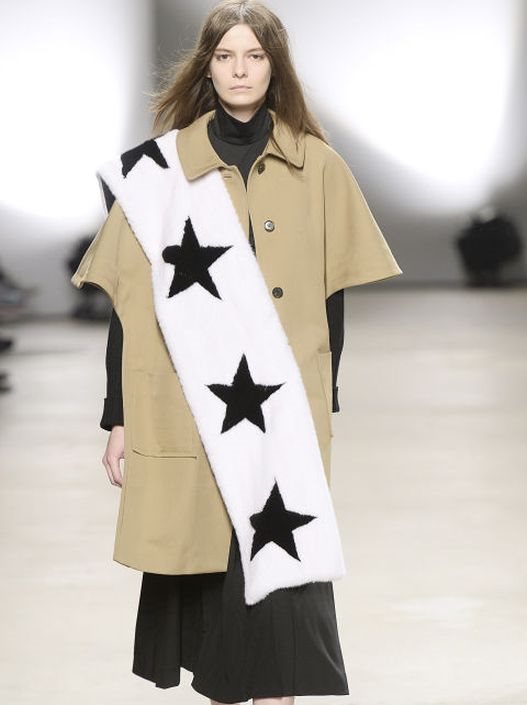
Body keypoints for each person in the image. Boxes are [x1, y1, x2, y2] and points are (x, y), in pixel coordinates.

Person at [71, 1, 402, 703]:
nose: (240, 70)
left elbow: (330, 299)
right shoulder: (158, 173)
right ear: (207, 67)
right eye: (225, 56)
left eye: (254, 56)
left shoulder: (318, 166)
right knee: (210, 562)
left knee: (283, 561)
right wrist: (117, 414)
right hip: (187, 399)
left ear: (275, 67)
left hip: (283, 407)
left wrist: (322, 401)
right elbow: (130, 306)